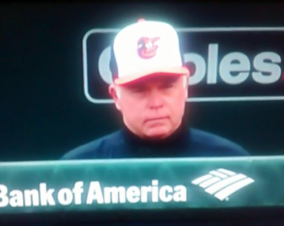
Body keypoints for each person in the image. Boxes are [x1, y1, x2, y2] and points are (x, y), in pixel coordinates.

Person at [61, 19, 249, 160]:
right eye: (139, 90)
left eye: (168, 86)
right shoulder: (81, 168)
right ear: (115, 96)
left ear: (185, 87)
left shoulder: (229, 160)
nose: (156, 103)